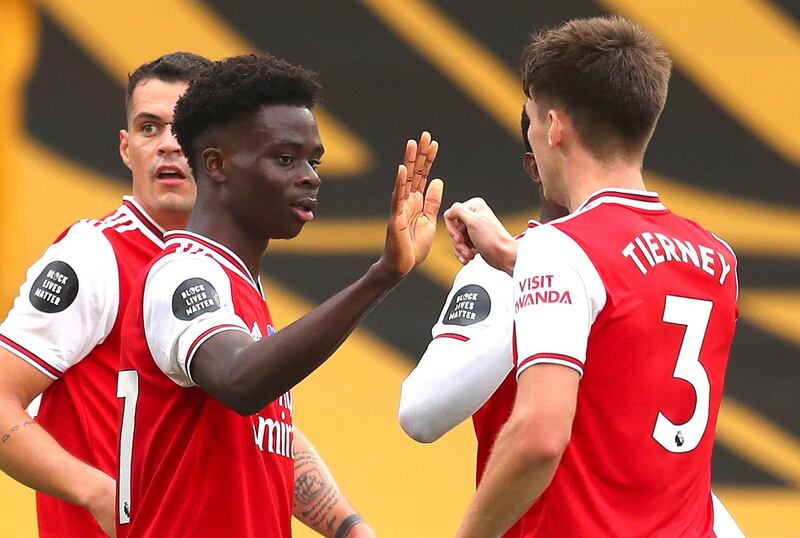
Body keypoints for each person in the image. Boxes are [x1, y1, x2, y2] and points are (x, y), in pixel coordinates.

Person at [116, 54, 443, 537]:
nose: (310, 176)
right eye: (285, 159)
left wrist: (348, 527)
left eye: (314, 160)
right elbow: (240, 381)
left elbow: (262, 443)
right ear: (216, 165)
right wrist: (380, 276)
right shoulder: (180, 273)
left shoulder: (241, 290)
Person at [445, 17, 741, 537]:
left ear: (555, 127)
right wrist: (519, 260)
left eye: (534, 120)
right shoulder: (717, 257)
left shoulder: (559, 249)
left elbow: (539, 435)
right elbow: (622, 304)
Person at [0, 52, 211, 537]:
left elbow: (262, 429)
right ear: (125, 147)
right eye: (149, 128)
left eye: (186, 127)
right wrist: (100, 494)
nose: (167, 145)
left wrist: (346, 524)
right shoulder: (95, 256)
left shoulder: (231, 269)